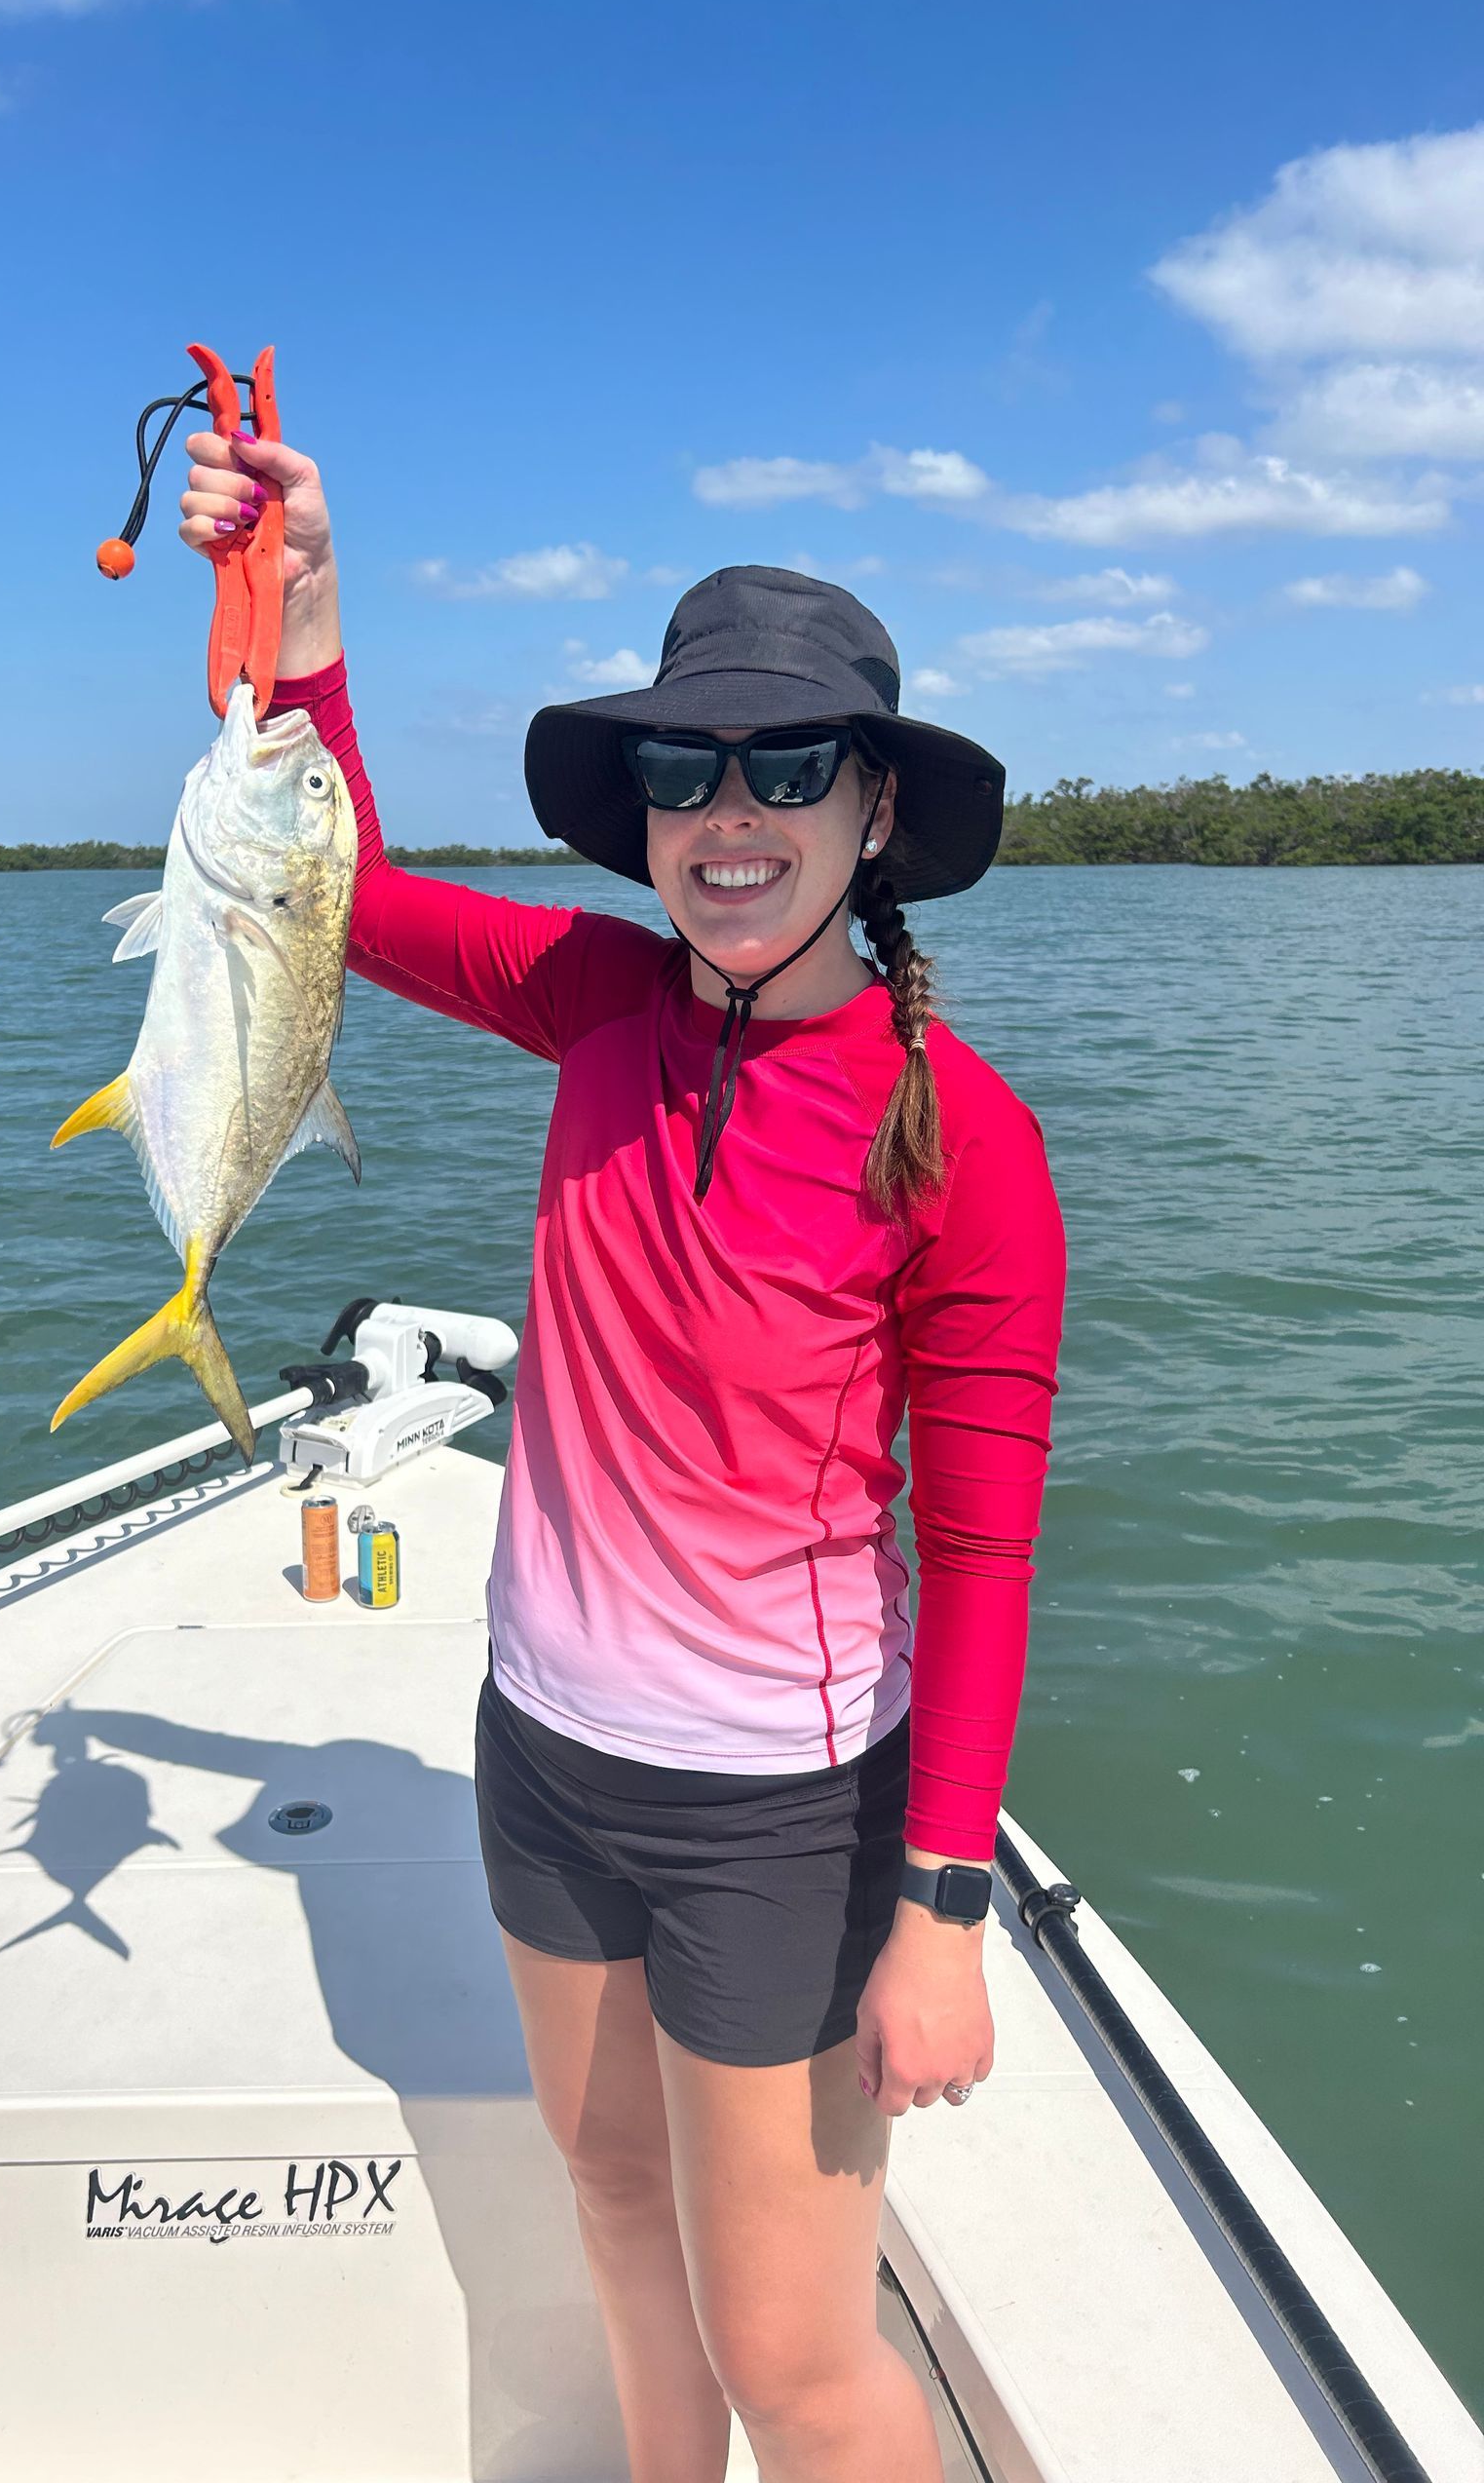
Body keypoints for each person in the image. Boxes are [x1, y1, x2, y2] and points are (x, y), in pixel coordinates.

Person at [180, 422, 1067, 2483]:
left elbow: (985, 1553)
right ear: (642, 814)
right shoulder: (590, 997)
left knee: (796, 2357)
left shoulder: (972, 1142)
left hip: (783, 1816)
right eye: (684, 770)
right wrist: (307, 607)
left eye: (785, 766)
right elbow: (338, 895)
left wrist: (944, 1909)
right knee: (609, 2206)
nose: (728, 816)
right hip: (547, 1756)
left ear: (875, 807)